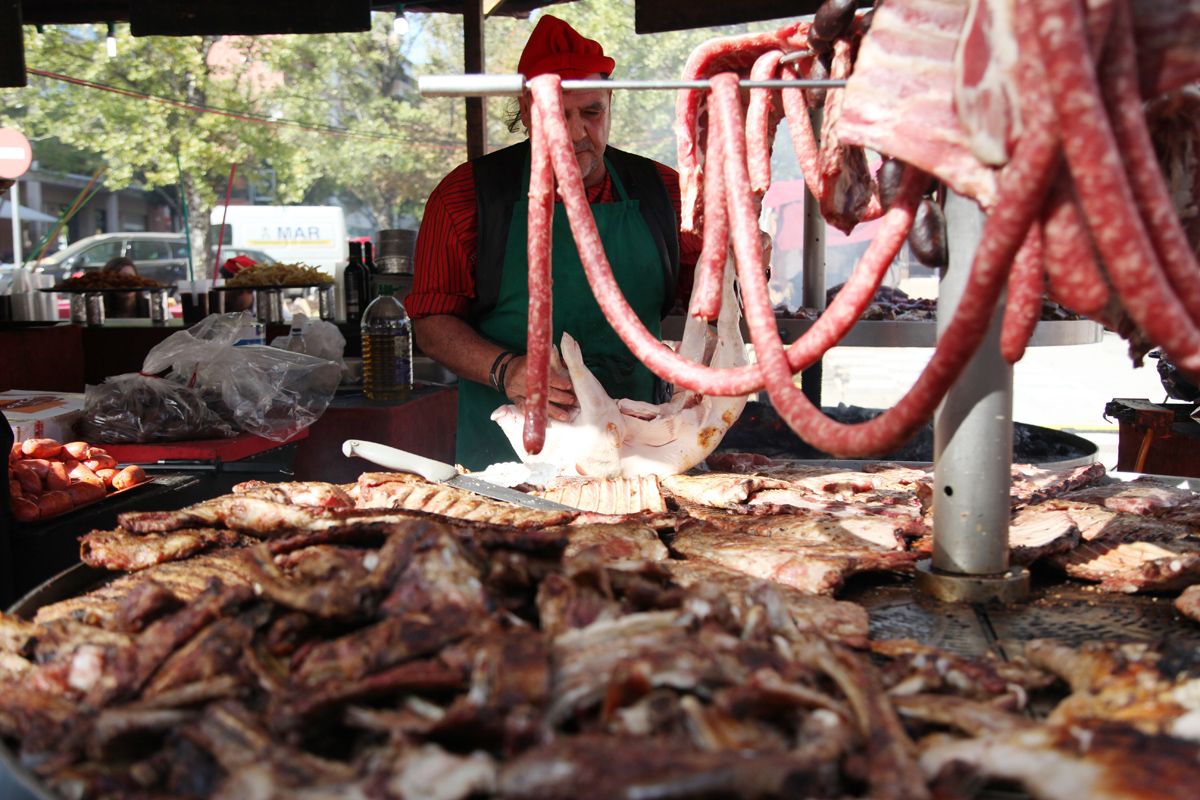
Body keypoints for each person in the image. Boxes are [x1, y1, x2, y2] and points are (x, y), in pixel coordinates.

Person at [408, 15, 701, 470]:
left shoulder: (664, 190)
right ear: (527, 111)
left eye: (591, 112)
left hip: (641, 444)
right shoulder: (467, 198)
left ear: (610, 103)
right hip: (512, 450)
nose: (578, 133)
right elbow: (431, 320)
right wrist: (506, 370)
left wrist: (745, 265)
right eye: (557, 114)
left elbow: (708, 295)